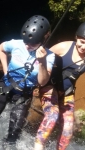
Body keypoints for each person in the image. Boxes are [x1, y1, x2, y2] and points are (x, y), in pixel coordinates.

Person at [0, 15, 56, 147]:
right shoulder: (16, 44)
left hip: (23, 95)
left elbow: (42, 82)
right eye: (26, 42)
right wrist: (5, 70)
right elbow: (2, 48)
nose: (27, 46)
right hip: (5, 86)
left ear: (44, 38)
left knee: (12, 139)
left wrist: (42, 61)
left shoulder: (49, 56)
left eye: (32, 44)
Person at [34, 22, 85, 150]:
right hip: (49, 86)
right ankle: (38, 147)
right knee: (52, 115)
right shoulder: (64, 47)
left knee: (68, 130)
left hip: (67, 93)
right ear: (76, 37)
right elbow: (40, 59)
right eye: (82, 42)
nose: (84, 47)